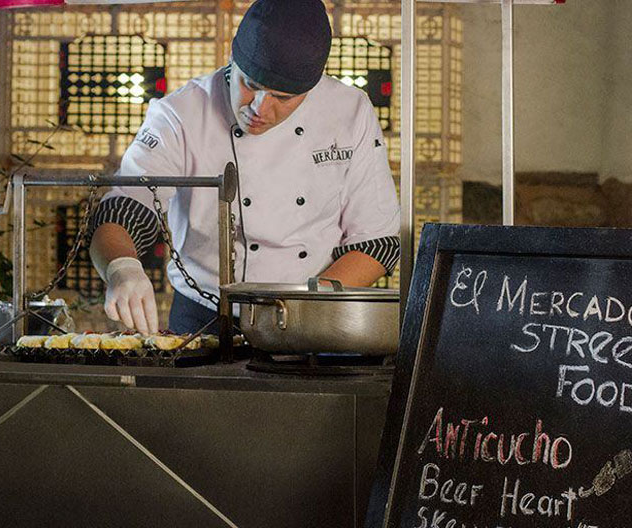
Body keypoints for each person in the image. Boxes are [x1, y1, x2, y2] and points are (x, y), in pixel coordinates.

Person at [88, 0, 400, 335]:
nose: (260, 109)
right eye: (250, 85)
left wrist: (305, 309)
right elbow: (125, 209)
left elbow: (377, 242)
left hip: (312, 314)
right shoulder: (181, 113)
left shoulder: (349, 111)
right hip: (204, 315)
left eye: (282, 98)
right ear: (232, 60)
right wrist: (122, 269)